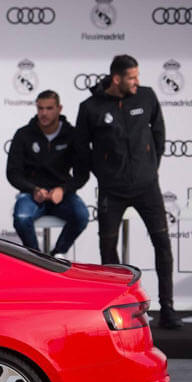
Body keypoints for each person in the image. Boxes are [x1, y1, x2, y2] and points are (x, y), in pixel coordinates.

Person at [75, 54, 180, 329]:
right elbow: (81, 147)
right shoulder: (90, 107)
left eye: (138, 76)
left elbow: (158, 134)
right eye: (132, 77)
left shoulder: (146, 97)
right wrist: (103, 173)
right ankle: (120, 311)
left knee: (163, 245)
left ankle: (168, 309)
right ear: (117, 78)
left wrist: (149, 168)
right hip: (112, 190)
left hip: (147, 187)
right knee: (108, 250)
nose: (137, 82)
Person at [8, 90, 90, 258]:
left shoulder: (72, 135)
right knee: (21, 217)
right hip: (32, 194)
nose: (44, 113)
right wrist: (33, 189)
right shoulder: (23, 134)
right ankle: (37, 259)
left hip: (62, 195)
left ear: (59, 109)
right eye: (40, 108)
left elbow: (82, 173)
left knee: (81, 215)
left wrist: (63, 189)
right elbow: (13, 173)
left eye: (49, 108)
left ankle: (57, 254)